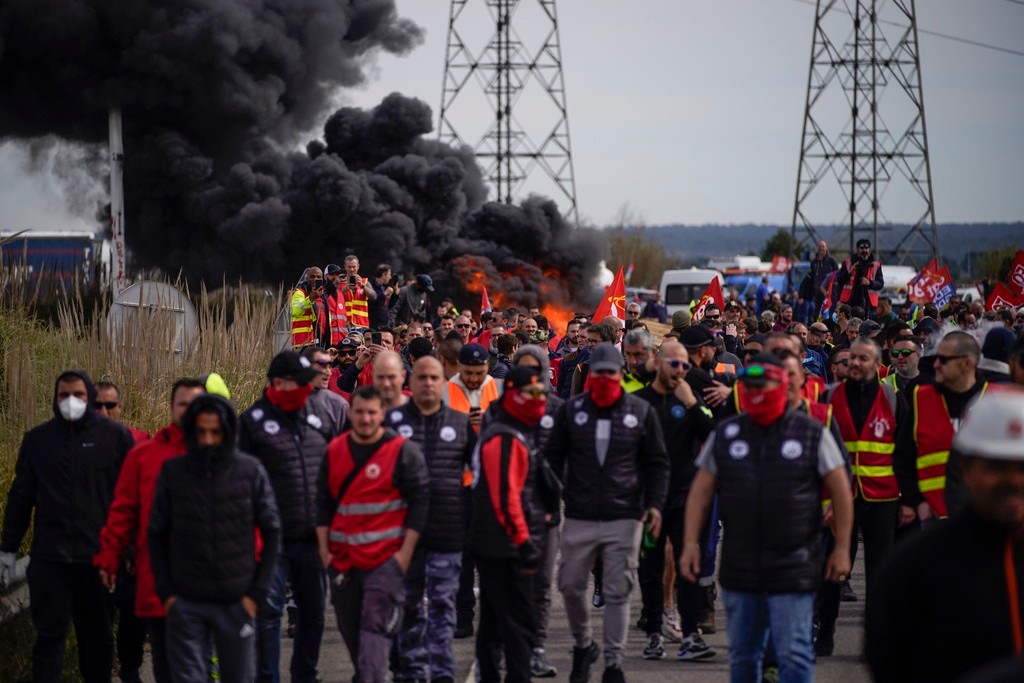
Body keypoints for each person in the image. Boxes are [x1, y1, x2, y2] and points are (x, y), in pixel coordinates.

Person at [680, 355, 853, 683]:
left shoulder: (812, 432)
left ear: (784, 386)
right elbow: (700, 493)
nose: (757, 391)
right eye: (751, 385)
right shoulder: (728, 433)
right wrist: (690, 543)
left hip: (795, 565)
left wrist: (842, 547)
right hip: (740, 568)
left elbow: (841, 490)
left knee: (795, 653)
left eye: (765, 384)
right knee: (744, 656)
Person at [866, 391, 1024, 683]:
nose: (1014, 481)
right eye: (997, 467)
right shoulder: (914, 566)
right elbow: (888, 661)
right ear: (964, 469)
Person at [545, 344, 669, 683]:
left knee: (618, 590)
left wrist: (654, 505)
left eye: (610, 373)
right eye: (598, 373)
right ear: (591, 375)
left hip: (624, 515)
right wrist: (552, 501)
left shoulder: (640, 411)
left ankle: (614, 663)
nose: (605, 379)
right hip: (581, 514)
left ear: (620, 374)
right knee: (570, 585)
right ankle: (584, 645)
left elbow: (657, 463)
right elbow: (552, 461)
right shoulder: (572, 411)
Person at [0, 371, 134, 682]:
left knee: (98, 639)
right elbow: (21, 497)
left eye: (78, 395)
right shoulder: (38, 440)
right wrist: (8, 549)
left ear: (89, 397)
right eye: (64, 395)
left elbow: (131, 499)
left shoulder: (115, 438)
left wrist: (127, 551)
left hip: (98, 561)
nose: (70, 401)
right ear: (54, 398)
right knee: (50, 638)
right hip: (51, 559)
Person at [148, 394, 282, 683]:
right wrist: (168, 595)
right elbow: (156, 533)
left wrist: (256, 594)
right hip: (186, 601)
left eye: (215, 432)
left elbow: (272, 531)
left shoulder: (250, 471)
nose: (208, 440)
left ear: (228, 432)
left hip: (237, 601)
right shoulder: (173, 473)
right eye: (201, 432)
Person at [93, 379, 206, 683]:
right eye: (182, 403)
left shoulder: (225, 455)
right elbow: (125, 509)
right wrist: (112, 554)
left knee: (201, 662)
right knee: (166, 662)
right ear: (171, 408)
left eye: (195, 403)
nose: (189, 410)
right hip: (156, 578)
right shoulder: (146, 455)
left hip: (211, 582)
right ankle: (128, 668)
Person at [315, 386, 429, 683]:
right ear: (350, 413)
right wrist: (326, 552)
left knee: (373, 627)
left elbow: (420, 504)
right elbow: (323, 503)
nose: (365, 419)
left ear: (383, 415)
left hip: (385, 563)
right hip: (342, 564)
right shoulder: (334, 451)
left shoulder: (403, 452)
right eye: (359, 412)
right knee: (352, 632)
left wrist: (404, 556)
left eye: (372, 413)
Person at [239, 350, 339, 683]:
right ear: (278, 383)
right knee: (268, 614)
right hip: (272, 540)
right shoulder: (252, 423)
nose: (308, 389)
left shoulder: (316, 415)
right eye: (301, 383)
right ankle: (267, 677)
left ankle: (304, 675)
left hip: (312, 536)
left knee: (313, 614)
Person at [388, 358, 476, 683]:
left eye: (433, 378)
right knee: (407, 607)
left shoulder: (461, 422)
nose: (427, 383)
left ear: (443, 383)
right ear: (412, 383)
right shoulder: (393, 422)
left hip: (447, 532)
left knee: (442, 608)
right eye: (421, 377)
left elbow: (477, 477)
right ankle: (411, 671)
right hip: (403, 536)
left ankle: (442, 672)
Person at [633, 341, 716, 662]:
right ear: (658, 363)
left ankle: (691, 635)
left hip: (685, 501)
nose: (681, 371)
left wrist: (692, 403)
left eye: (685, 366)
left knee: (688, 569)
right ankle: (654, 633)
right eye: (674, 365)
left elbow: (713, 434)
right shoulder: (639, 402)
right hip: (649, 502)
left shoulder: (691, 398)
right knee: (651, 570)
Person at [486, 345, 565, 678]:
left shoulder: (558, 409)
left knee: (542, 584)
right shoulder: (495, 412)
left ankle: (536, 647)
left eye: (535, 371)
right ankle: (505, 648)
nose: (529, 379)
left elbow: (567, 459)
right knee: (503, 589)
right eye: (522, 372)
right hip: (505, 514)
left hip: (544, 513)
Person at [470, 367, 551, 683]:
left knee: (494, 621)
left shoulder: (511, 430)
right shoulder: (504, 436)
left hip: (498, 543)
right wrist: (523, 543)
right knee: (518, 625)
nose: (540, 400)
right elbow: (506, 499)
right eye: (533, 393)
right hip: (504, 546)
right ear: (515, 394)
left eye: (542, 393)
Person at [894, 331, 988, 524]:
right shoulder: (922, 398)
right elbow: (903, 456)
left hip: (985, 516)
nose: (935, 364)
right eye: (937, 358)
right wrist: (916, 501)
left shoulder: (994, 400)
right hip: (934, 516)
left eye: (944, 360)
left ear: (968, 363)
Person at [447, 342, 501, 431]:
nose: (474, 379)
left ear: (487, 367)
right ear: (459, 366)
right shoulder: (444, 390)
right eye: (468, 373)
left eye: (480, 373)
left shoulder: (499, 388)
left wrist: (489, 420)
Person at [302, 345, 350, 434]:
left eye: (329, 366)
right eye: (322, 365)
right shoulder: (286, 400)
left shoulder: (338, 405)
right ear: (306, 365)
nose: (328, 372)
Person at [835, 238, 884, 314]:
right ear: (857, 249)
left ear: (869, 249)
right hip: (849, 302)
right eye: (862, 248)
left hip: (868, 303)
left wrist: (869, 283)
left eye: (866, 248)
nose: (864, 250)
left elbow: (880, 284)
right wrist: (849, 272)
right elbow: (839, 280)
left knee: (866, 324)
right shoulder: (848, 263)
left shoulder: (875, 265)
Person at [339, 255, 377, 332]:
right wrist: (344, 289)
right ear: (345, 267)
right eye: (349, 267)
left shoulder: (365, 282)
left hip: (361, 325)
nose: (352, 269)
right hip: (344, 325)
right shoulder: (340, 283)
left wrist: (362, 286)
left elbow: (374, 296)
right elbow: (332, 299)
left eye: (354, 267)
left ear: (358, 266)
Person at [292, 266, 325, 348]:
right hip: (302, 343)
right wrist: (311, 298)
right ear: (306, 279)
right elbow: (295, 312)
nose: (315, 279)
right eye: (312, 276)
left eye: (318, 277)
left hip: (316, 341)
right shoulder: (299, 293)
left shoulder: (322, 296)